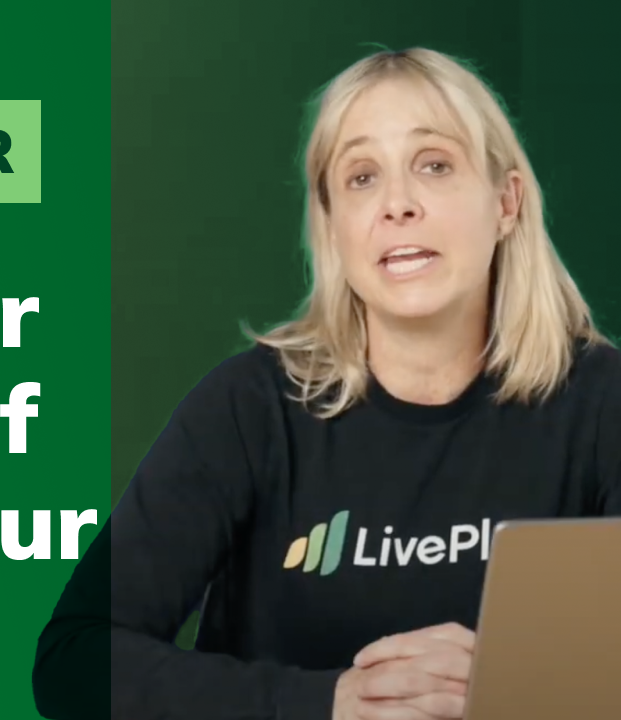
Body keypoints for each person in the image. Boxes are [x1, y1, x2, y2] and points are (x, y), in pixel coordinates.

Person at [32, 47, 621, 720]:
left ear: (506, 201)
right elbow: (74, 661)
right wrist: (325, 703)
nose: (398, 204)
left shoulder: (604, 403)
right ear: (333, 224)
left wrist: (518, 688)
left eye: (434, 165)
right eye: (362, 177)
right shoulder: (247, 409)